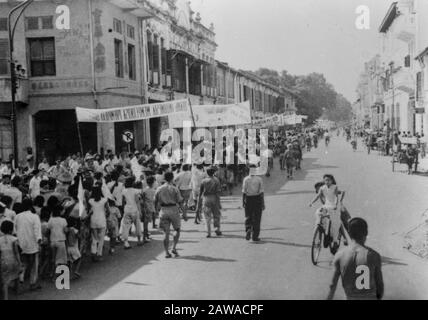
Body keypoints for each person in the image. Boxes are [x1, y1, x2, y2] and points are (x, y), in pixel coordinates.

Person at [327, 218, 384, 300]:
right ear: (366, 233)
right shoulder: (374, 255)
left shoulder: (340, 255)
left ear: (349, 233)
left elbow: (332, 285)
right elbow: (380, 285)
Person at [155, 171, 183, 258]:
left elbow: (155, 200)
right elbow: (180, 201)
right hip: (174, 209)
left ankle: (167, 252)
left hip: (163, 210)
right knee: (177, 229)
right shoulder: (174, 188)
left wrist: (156, 210)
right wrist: (184, 213)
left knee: (166, 233)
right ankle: (174, 247)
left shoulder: (159, 188)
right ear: (172, 178)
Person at [15, 199, 42, 291]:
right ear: (31, 206)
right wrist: (39, 243)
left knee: (23, 264)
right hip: (33, 244)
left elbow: (15, 231)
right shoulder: (35, 217)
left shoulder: (17, 216)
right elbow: (37, 231)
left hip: (21, 244)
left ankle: (20, 282)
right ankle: (32, 283)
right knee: (34, 265)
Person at [309, 174, 341, 251]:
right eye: (325, 180)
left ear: (332, 180)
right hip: (326, 205)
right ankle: (319, 227)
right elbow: (317, 196)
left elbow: (336, 197)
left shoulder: (335, 187)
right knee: (318, 213)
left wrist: (336, 205)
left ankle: (335, 240)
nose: (327, 182)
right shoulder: (322, 188)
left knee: (335, 223)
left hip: (334, 206)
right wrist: (311, 202)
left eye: (328, 180)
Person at [242, 165, 265, 242]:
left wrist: (243, 201)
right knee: (257, 218)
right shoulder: (259, 179)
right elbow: (261, 192)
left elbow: (244, 192)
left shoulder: (246, 179)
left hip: (248, 199)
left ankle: (248, 229)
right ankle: (255, 236)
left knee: (248, 216)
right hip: (257, 199)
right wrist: (263, 203)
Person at [198, 167, 222, 238]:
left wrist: (199, 202)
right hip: (214, 197)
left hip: (206, 198)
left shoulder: (203, 181)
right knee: (216, 214)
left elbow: (200, 192)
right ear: (213, 172)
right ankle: (217, 228)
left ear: (207, 173)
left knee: (207, 216)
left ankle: (208, 232)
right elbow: (218, 192)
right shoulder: (216, 180)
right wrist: (219, 202)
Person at [121, 177, 143, 249]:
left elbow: (123, 202)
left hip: (127, 210)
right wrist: (140, 211)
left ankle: (126, 242)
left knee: (126, 227)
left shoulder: (124, 191)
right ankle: (139, 240)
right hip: (135, 210)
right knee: (137, 225)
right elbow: (137, 202)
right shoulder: (136, 191)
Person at [88, 187, 108, 261]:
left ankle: (93, 252)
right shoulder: (104, 200)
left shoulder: (90, 201)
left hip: (93, 220)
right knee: (101, 239)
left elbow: (89, 210)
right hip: (102, 220)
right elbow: (107, 210)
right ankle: (99, 254)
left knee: (94, 238)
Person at [47, 206, 68, 273]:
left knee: (53, 259)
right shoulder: (63, 220)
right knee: (61, 259)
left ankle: (52, 273)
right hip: (61, 241)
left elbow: (48, 230)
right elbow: (65, 230)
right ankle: (58, 275)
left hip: (52, 241)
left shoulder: (50, 220)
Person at [141, 176, 157, 243]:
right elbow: (155, 200)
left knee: (145, 223)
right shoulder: (154, 191)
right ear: (153, 183)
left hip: (145, 207)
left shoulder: (144, 190)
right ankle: (144, 237)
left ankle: (146, 235)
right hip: (150, 207)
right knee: (146, 223)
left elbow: (142, 199)